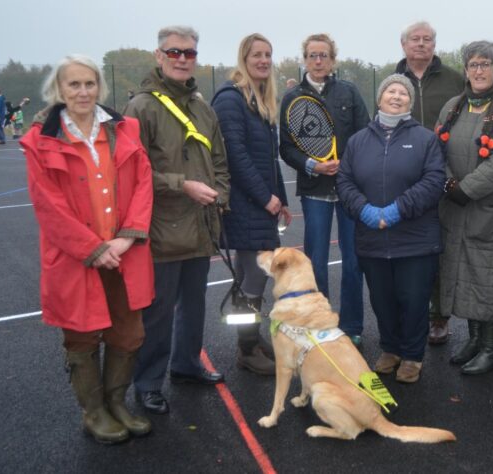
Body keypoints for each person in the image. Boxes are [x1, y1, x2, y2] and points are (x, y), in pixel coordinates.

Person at [21, 55, 155, 444]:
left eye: (90, 84)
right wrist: (93, 248)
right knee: (81, 336)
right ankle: (94, 411)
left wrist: (126, 238)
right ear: (59, 89)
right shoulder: (41, 139)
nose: (83, 92)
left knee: (128, 331)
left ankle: (116, 403)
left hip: (124, 252)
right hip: (75, 258)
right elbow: (48, 206)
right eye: (74, 84)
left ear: (100, 87)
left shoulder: (125, 129)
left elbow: (143, 182)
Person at [125, 26, 230, 415]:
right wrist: (182, 185)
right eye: (174, 52)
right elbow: (132, 173)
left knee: (194, 305)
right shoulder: (142, 107)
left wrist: (221, 197)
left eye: (190, 53)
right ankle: (148, 382)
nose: (183, 59)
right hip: (162, 228)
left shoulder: (203, 108)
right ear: (159, 55)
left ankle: (186, 365)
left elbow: (220, 162)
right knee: (157, 313)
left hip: (201, 226)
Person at [337, 74, 445, 383]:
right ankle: (391, 349)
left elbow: (434, 181)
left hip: (415, 240)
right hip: (372, 239)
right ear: (379, 98)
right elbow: (344, 181)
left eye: (403, 93)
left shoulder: (425, 139)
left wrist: (398, 210)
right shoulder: (358, 141)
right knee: (382, 300)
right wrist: (364, 210)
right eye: (391, 91)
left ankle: (412, 356)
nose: (396, 96)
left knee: (413, 300)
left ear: (410, 101)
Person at [437, 40, 493, 375]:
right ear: (465, 70)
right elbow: (437, 150)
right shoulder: (452, 106)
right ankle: (474, 340)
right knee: (464, 273)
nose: (479, 71)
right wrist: (450, 184)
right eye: (473, 65)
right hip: (456, 207)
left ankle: (492, 349)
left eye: (485, 64)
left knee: (490, 276)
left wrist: (467, 189)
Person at [279, 33, 369, 345]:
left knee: (353, 260)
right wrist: (312, 165)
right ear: (304, 59)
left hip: (348, 189)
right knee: (315, 261)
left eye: (324, 55)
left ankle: (352, 327)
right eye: (313, 55)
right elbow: (286, 147)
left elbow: (364, 134)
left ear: (333, 59)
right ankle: (321, 325)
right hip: (314, 189)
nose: (318, 61)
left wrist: (348, 163)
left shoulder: (349, 91)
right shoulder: (292, 98)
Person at [211, 33, 289, 376]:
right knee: (256, 275)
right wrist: (265, 197)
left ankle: (251, 340)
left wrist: (281, 199)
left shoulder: (259, 99)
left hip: (257, 205)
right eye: (257, 54)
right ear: (243, 59)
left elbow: (268, 159)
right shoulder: (231, 99)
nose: (264, 60)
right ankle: (247, 350)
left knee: (249, 275)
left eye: (268, 55)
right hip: (243, 205)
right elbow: (235, 156)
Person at [394, 21, 465, 346]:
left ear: (434, 44)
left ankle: (439, 316)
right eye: (415, 39)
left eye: (427, 39)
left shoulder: (454, 80)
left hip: (444, 174)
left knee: (440, 249)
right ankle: (410, 313)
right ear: (404, 44)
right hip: (404, 178)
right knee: (408, 249)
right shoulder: (394, 81)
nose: (421, 44)